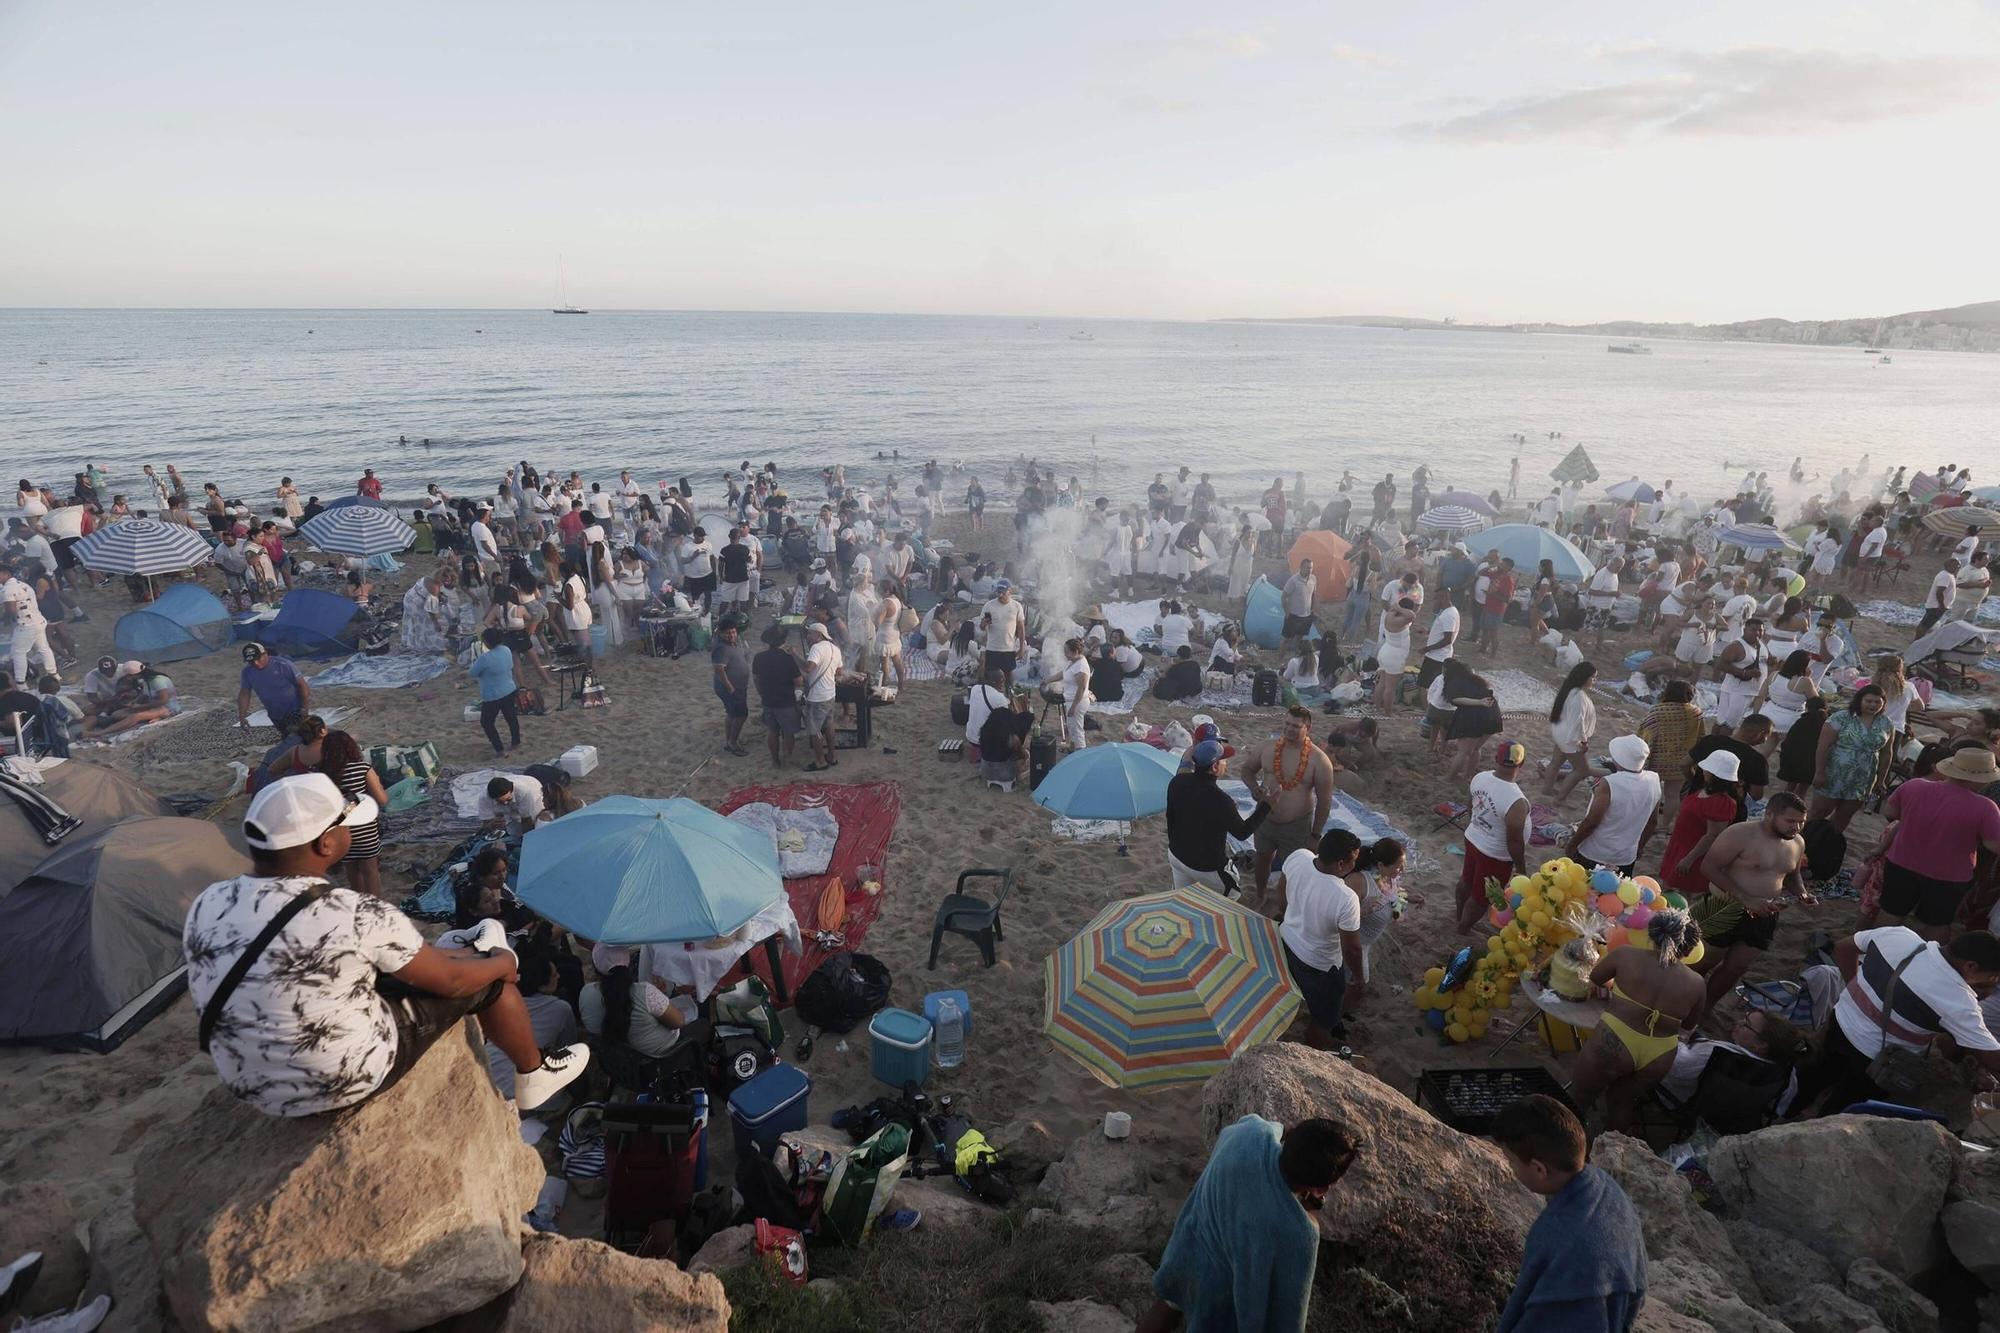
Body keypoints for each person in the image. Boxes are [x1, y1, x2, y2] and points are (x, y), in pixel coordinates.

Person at [182, 774, 586, 1117]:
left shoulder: (207, 901)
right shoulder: (353, 910)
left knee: (442, 960)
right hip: (339, 1081)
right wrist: (500, 963)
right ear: (325, 844)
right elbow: (450, 981)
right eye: (346, 824)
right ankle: (533, 1072)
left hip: (249, 1085)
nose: (353, 830)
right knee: (487, 983)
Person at [1139, 1115, 1358, 1333]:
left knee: (1167, 1305)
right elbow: (1290, 1308)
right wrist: (1308, 1208)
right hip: (1221, 1296)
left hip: (1188, 1249)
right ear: (1322, 1188)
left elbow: (1275, 1129)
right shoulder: (1300, 1231)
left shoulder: (1250, 1133)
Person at [1793, 927, 2000, 1116]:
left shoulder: (1899, 935)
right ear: (1971, 965)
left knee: (1815, 1074)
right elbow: (1993, 1060)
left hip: (1840, 1021)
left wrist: (1854, 986)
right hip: (1876, 1056)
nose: (1992, 983)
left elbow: (1844, 947)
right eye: (1992, 977)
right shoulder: (1959, 1002)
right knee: (1847, 1103)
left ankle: (1784, 1111)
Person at [1490, 1095, 1647, 1333]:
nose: (1510, 1168)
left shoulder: (1555, 1235)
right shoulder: (1608, 1189)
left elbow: (1541, 1319)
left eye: (1511, 1161)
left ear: (1539, 1169)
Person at [1570, 911, 1707, 1134]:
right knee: (1622, 1106)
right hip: (1659, 1053)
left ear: (1652, 934)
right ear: (1690, 950)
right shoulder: (1697, 983)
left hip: (1615, 1037)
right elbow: (1689, 1024)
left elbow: (1595, 978)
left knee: (1581, 1098)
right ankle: (1611, 1157)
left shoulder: (1625, 955)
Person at [1697, 792, 1811, 1014]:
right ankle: (1679, 1001)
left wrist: (1802, 893)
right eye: (1790, 821)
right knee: (1703, 960)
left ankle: (1705, 1008)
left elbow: (1792, 874)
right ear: (1769, 814)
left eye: (1801, 822)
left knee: (1735, 968)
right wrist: (1745, 898)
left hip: (1764, 914)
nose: (1796, 827)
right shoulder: (1740, 833)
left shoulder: (1797, 842)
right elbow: (1708, 867)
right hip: (1723, 906)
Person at [1876, 745, 2000, 940]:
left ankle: (1873, 950)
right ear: (1981, 779)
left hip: (1902, 861)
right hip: (1949, 875)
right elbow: (1995, 845)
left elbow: (1890, 813)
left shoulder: (1914, 785)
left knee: (1891, 912)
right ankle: (1929, 962)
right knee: (1937, 923)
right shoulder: (1985, 807)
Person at [1270, 828, 1365, 1049]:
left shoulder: (1299, 856)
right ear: (1340, 864)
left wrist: (1286, 913)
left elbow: (1281, 888)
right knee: (1324, 1018)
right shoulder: (1346, 898)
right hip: (1319, 964)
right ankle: (1316, 1044)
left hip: (1286, 941)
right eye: (1353, 861)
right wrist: (1358, 977)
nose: (1355, 865)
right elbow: (1352, 949)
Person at [1236, 706, 1337, 905]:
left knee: (1292, 868)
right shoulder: (1267, 747)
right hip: (1265, 819)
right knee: (1262, 859)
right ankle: (1260, 894)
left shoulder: (1319, 760)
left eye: (1296, 726)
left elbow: (1325, 802)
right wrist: (1255, 788)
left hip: (1297, 824)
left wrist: (1315, 834)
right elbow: (1247, 769)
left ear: (1308, 727)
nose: (1290, 729)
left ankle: (1284, 902)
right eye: (1287, 724)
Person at [1165, 739, 1269, 895]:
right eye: (1224, 760)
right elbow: (1242, 833)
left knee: (1185, 899)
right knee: (1234, 894)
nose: (1226, 763)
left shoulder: (1177, 781)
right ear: (1214, 767)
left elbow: (1170, 818)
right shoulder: (1221, 800)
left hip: (1176, 856)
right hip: (1205, 868)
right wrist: (1266, 806)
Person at [1659, 1009, 1809, 1118]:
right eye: (1745, 1017)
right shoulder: (1787, 1073)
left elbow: (1674, 1065)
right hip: (1735, 1120)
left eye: (1746, 1024)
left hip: (1687, 1106)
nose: (1738, 1022)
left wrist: (1681, 1038)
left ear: (1761, 1045)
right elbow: (1778, 1110)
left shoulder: (1716, 1054)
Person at [1459, 741, 1530, 932]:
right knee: (1481, 897)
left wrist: (1478, 827)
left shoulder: (1479, 777)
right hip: (1494, 854)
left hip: (1473, 837)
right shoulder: (1516, 800)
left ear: (1496, 759)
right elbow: (1514, 841)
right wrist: (1521, 867)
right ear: (1521, 764)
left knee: (1466, 878)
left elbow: (1470, 806)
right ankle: (1463, 928)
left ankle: (1459, 915)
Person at [1569, 735, 1661, 877]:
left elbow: (1592, 823)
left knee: (1588, 895)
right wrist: (1639, 847)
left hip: (1595, 853)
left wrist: (1573, 845)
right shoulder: (1653, 779)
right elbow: (1652, 822)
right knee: (1617, 896)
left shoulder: (1610, 783)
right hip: (1626, 857)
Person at [1809, 683, 1895, 832]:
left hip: (1863, 777)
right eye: (1869, 701)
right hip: (1835, 773)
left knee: (1844, 816)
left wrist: (1881, 779)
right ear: (1860, 700)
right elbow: (1823, 746)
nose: (1873, 705)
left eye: (1877, 702)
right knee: (1819, 812)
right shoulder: (1841, 718)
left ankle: (1826, 845)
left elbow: (1887, 752)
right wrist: (1819, 772)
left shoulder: (1886, 723)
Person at [1657, 750, 1741, 899]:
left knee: (1678, 895)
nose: (1703, 771)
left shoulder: (1721, 802)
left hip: (1693, 854)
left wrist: (1689, 859)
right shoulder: (1706, 790)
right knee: (1670, 890)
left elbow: (1712, 835)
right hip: (1680, 846)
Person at [316, 728, 387, 899]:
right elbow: (382, 800)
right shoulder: (362, 769)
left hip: (339, 830)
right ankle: (376, 906)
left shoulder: (321, 774)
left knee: (353, 870)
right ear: (351, 748)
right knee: (370, 871)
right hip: (364, 829)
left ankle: (359, 905)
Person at [1685, 715, 1771, 822]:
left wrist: (1695, 782)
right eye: (1767, 736)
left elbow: (1684, 764)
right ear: (1761, 733)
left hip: (1697, 803)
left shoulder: (1710, 741)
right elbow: (1756, 795)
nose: (1765, 740)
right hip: (1729, 813)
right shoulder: (1757, 760)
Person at [1543, 661, 1599, 805]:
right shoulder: (1578, 697)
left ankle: (1547, 790)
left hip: (1560, 733)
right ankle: (1560, 798)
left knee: (1555, 763)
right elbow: (1577, 723)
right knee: (1582, 771)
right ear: (1584, 677)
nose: (1594, 681)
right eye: (1593, 677)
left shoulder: (1569, 689)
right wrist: (1583, 742)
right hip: (1570, 738)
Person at [752, 625, 804, 767]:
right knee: (788, 733)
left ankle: (775, 760)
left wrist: (761, 693)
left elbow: (756, 678)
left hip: (768, 699)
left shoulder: (759, 657)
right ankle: (787, 757)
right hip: (785, 700)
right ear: (783, 641)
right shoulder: (787, 659)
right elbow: (798, 681)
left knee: (772, 731)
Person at [466, 628, 522, 757]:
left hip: (493, 695)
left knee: (487, 722)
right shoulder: (506, 650)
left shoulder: (485, 658)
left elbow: (472, 673)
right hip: (509, 688)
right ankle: (516, 742)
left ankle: (499, 749)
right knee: (511, 717)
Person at [1636, 680, 1703, 784]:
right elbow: (1700, 738)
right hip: (1682, 763)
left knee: (1654, 790)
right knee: (1673, 795)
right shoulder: (1696, 712)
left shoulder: (1657, 711)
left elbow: (1645, 735)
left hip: (1656, 762)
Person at [237, 642, 310, 734]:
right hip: (274, 714)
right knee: (286, 736)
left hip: (294, 710)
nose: (256, 663)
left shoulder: (284, 665)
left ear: (265, 654)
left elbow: (302, 685)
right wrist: (242, 717)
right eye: (251, 662)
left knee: (299, 738)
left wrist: (304, 709)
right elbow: (245, 693)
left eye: (258, 659)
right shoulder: (247, 672)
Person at [801, 621, 842, 773]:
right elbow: (839, 673)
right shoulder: (835, 649)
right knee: (829, 726)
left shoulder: (816, 648)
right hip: (830, 694)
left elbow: (808, 669)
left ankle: (820, 761)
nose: (808, 637)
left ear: (818, 635)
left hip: (817, 697)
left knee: (815, 730)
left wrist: (794, 658)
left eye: (810, 633)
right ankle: (832, 756)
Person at [710, 618, 752, 758]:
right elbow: (719, 669)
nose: (732, 635)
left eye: (733, 632)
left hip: (737, 686)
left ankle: (729, 740)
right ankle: (733, 742)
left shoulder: (733, 643)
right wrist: (729, 687)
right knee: (741, 715)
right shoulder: (721, 648)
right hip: (731, 688)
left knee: (732, 714)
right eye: (728, 633)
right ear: (721, 634)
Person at [977, 686, 1034, 786]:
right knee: (1024, 758)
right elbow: (1021, 755)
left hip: (984, 769)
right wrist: (1025, 755)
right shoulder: (1012, 738)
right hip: (1004, 774)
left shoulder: (986, 730)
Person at [1372, 596, 1417, 713]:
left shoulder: (1390, 615)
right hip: (1394, 655)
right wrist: (1400, 608)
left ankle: (1377, 707)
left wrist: (1398, 608)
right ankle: (1388, 712)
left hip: (1385, 651)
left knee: (1382, 682)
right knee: (1390, 688)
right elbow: (1412, 616)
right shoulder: (1400, 620)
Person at [979, 579, 1027, 686]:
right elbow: (982, 627)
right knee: (991, 678)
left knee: (1008, 678)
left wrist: (1022, 646)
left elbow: (1021, 627)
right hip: (992, 648)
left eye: (1003, 592)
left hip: (1008, 649)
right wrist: (984, 623)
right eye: (998, 592)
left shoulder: (1016, 606)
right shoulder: (989, 605)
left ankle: (1009, 699)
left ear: (1009, 591)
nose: (1000, 595)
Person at [479, 772, 547, 837]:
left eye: (508, 799)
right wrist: (491, 825)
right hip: (518, 797)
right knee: (513, 833)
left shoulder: (524, 792)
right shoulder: (484, 798)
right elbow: (486, 822)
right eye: (500, 802)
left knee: (537, 826)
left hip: (533, 791)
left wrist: (526, 840)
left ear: (512, 791)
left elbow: (526, 820)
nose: (505, 803)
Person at [1057, 636, 1091, 751]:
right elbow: (1063, 674)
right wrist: (1047, 680)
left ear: (1075, 652)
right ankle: (1072, 749)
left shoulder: (1081, 666)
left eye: (1066, 652)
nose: (1065, 654)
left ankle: (1081, 753)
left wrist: (1073, 707)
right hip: (1071, 700)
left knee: (1077, 731)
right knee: (1072, 728)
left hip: (1078, 702)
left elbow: (1081, 688)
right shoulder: (1072, 661)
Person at [1280, 559, 1317, 650]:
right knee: (1286, 639)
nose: (1309, 570)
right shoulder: (1293, 580)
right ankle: (1279, 659)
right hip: (1294, 615)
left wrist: (1313, 609)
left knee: (1300, 637)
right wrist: (1287, 612)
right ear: (1301, 567)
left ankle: (1295, 657)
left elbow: (1313, 594)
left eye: (1311, 568)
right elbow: (1284, 596)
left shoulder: (1313, 578)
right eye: (1307, 568)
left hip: (1306, 615)